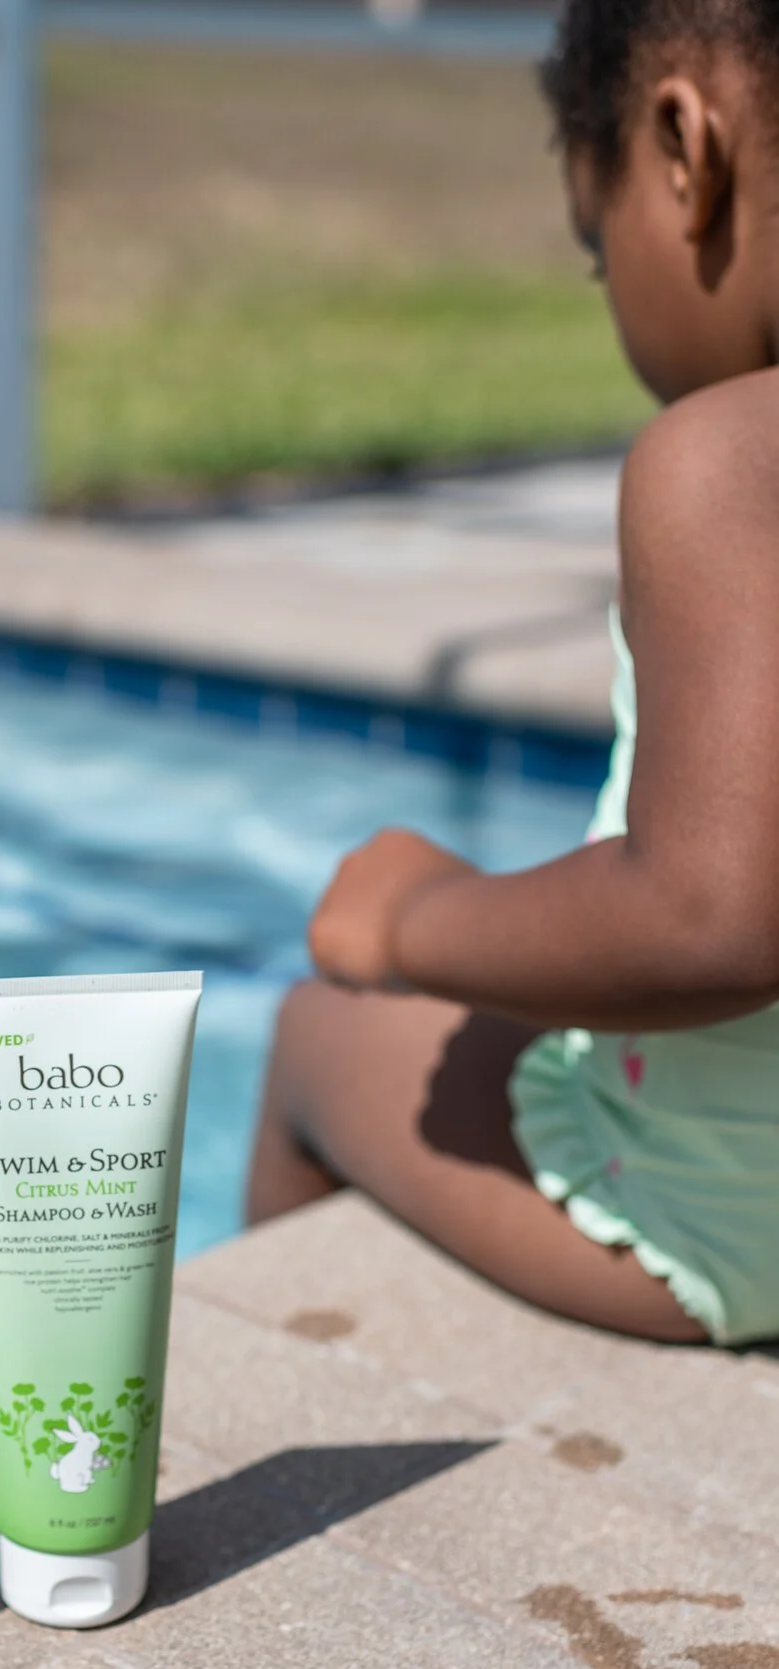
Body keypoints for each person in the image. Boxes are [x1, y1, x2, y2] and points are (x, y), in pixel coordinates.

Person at [245, 0, 779, 1345]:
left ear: (682, 147)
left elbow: (705, 917)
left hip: (729, 1225)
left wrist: (414, 918)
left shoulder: (726, 466)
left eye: (601, 252)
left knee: (318, 1032)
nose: (613, 295)